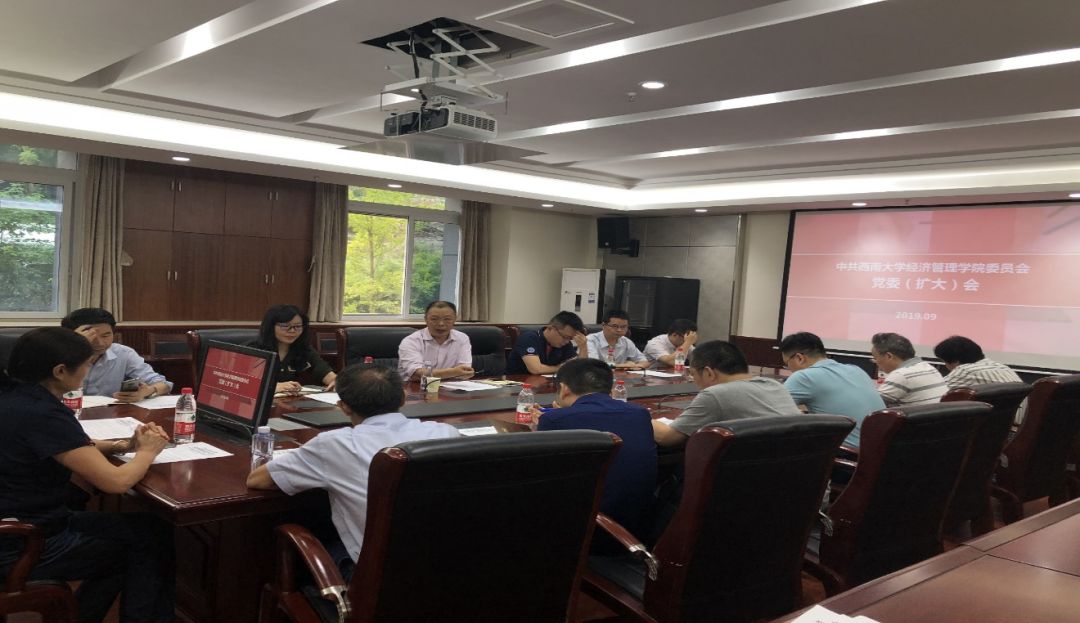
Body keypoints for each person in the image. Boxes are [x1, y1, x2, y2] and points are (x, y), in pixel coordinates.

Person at [0, 327, 174, 623]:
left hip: (25, 519)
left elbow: (65, 445)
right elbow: (116, 482)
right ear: (59, 371)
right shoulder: (44, 413)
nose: (88, 371)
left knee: (151, 530)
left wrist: (125, 445)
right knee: (147, 546)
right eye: (86, 364)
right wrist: (147, 452)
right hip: (24, 541)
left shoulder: (16, 397)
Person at [246, 364, 459, 579]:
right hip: (449, 567)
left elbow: (258, 480)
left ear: (343, 407)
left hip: (376, 579)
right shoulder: (446, 434)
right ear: (403, 398)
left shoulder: (334, 444)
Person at [533, 359, 656, 548]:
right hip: (638, 525)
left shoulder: (553, 420)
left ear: (563, 389)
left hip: (585, 531)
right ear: (611, 389)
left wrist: (552, 418)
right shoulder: (640, 414)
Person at [652, 340, 801, 447]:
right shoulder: (775, 385)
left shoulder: (714, 394)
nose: (694, 380)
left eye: (693, 374)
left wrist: (644, 418)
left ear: (709, 373)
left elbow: (666, 437)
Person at [779, 332, 885, 448]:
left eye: (787, 364)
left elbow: (772, 410)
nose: (789, 369)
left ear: (799, 358)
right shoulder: (856, 370)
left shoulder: (803, 376)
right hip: (883, 450)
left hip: (849, 454)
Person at [61, 307, 172, 403]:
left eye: (106, 335)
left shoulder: (123, 353)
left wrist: (148, 391)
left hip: (109, 413)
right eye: (92, 336)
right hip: (64, 411)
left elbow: (163, 384)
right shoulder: (57, 353)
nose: (100, 343)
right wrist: (76, 345)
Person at [251, 304, 336, 395]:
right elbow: (242, 382)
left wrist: (336, 381)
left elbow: (325, 373)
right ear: (271, 327)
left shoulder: (304, 349)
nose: (292, 331)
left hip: (289, 401)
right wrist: (273, 387)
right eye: (285, 326)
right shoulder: (253, 349)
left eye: (298, 326)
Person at [398, 301, 474, 381]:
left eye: (447, 319)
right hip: (415, 386)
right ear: (426, 319)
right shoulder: (411, 341)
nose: (441, 324)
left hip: (451, 386)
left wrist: (459, 373)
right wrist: (454, 372)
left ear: (455, 319)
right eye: (434, 319)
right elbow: (417, 374)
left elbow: (464, 371)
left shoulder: (462, 338)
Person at [871, 332, 947, 406]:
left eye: (875, 358)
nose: (875, 362)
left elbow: (872, 405)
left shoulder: (901, 375)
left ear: (889, 356)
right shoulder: (928, 367)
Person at [506, 311, 589, 375]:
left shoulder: (565, 344)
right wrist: (561, 368)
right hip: (519, 385)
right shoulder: (529, 338)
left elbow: (578, 369)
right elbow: (536, 369)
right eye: (564, 337)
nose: (567, 341)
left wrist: (583, 347)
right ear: (551, 328)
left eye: (570, 338)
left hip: (546, 385)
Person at [933, 335, 1023, 388]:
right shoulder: (1002, 367)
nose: (945, 366)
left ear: (956, 361)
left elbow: (936, 392)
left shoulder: (965, 371)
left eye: (944, 361)